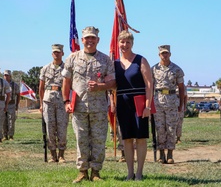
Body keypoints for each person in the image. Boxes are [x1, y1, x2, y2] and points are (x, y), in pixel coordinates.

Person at [62, 26, 116, 183]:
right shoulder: (72, 58)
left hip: (99, 107)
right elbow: (66, 81)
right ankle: (82, 171)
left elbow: (113, 82)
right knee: (81, 139)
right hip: (78, 107)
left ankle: (96, 172)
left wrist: (101, 87)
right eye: (87, 38)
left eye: (93, 38)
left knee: (99, 140)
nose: (90, 41)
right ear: (83, 40)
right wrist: (66, 101)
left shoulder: (106, 60)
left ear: (98, 40)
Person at [110, 32, 154, 180]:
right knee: (127, 139)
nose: (125, 45)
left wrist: (147, 105)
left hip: (140, 102)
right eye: (122, 42)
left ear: (132, 43)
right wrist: (113, 103)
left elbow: (149, 84)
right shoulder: (114, 64)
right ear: (118, 43)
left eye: (128, 42)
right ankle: (130, 172)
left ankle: (139, 172)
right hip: (122, 102)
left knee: (140, 138)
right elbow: (112, 86)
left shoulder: (141, 60)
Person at [39, 43, 69, 163]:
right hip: (48, 100)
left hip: (62, 100)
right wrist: (41, 104)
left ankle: (61, 154)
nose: (56, 54)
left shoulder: (67, 68)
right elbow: (41, 88)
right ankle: (52, 155)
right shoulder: (45, 68)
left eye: (58, 52)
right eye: (54, 52)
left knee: (62, 127)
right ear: (52, 54)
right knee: (50, 128)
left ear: (62, 53)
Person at [3, 70, 21, 140]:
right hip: (3, 104)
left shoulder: (14, 85)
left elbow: (18, 95)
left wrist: (17, 105)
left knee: (11, 120)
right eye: (4, 75)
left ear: (10, 76)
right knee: (3, 120)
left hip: (11, 104)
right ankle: (5, 135)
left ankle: (11, 135)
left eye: (7, 75)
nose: (6, 77)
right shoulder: (1, 84)